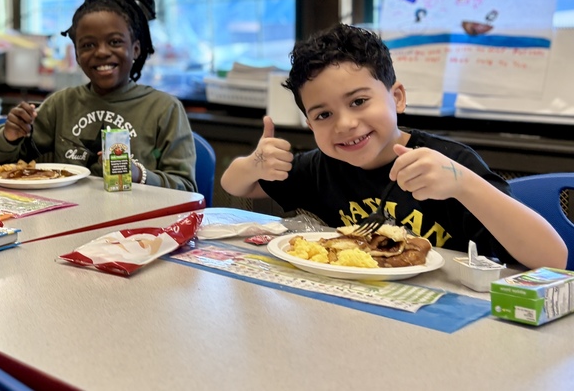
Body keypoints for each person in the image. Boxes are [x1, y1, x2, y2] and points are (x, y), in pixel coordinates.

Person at [221, 23, 567, 269]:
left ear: (397, 97)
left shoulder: (446, 165)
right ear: (310, 125)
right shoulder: (322, 166)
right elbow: (234, 185)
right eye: (323, 114)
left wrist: (463, 184)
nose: (344, 124)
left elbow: (553, 258)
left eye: (358, 102)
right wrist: (255, 164)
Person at [0, 0, 196, 191]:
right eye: (88, 45)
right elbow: (2, 159)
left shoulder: (164, 109)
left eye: (114, 42)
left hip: (139, 222)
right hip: (72, 216)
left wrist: (137, 174)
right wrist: (9, 136)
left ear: (136, 49)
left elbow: (187, 187)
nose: (102, 52)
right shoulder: (61, 104)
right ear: (76, 55)